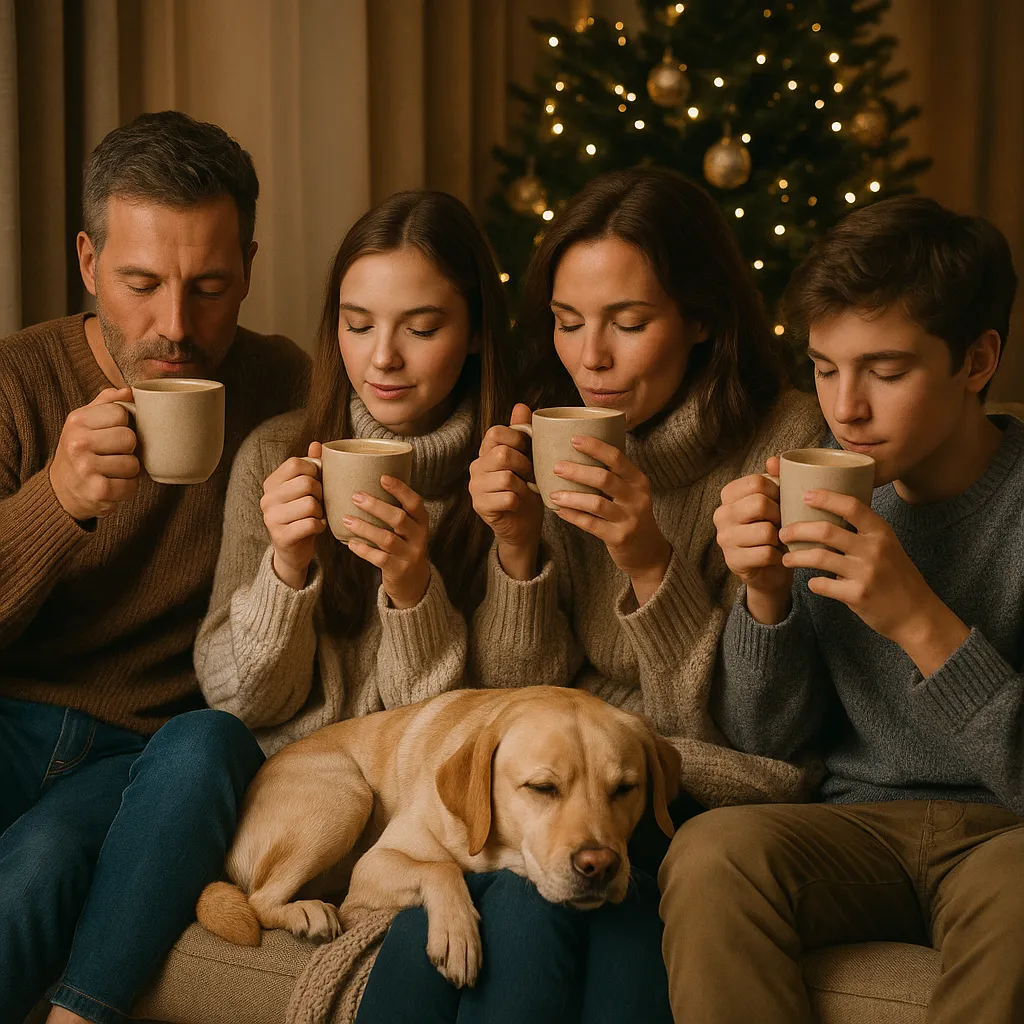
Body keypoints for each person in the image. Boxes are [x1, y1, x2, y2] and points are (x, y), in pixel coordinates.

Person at [357, 167, 824, 1024]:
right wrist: (519, 548)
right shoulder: (549, 430)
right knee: (491, 921)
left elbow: (759, 726)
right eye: (568, 324)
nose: (590, 358)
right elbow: (513, 694)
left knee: (542, 922)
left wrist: (649, 560)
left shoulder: (787, 440)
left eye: (629, 322)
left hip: (693, 785)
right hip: (564, 775)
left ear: (702, 319)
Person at [661, 195, 1023, 1023]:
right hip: (854, 827)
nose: (844, 407)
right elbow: (765, 745)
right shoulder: (824, 489)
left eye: (885, 372)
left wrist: (920, 623)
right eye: (825, 368)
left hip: (1009, 836)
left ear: (976, 360)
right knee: (715, 850)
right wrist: (764, 600)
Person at [0, 111, 309, 1024]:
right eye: (140, 284)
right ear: (90, 263)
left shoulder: (285, 386)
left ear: (249, 264)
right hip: (11, 716)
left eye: (210, 286)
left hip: (152, 745)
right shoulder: (16, 382)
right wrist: (56, 500)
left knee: (58, 850)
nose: (176, 326)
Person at [195, 188, 513, 752]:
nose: (383, 357)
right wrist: (286, 569)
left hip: (433, 784)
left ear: (477, 332)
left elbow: (507, 716)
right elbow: (236, 704)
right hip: (295, 780)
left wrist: (414, 591)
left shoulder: (511, 476)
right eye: (359, 325)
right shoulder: (276, 454)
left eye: (420, 329)